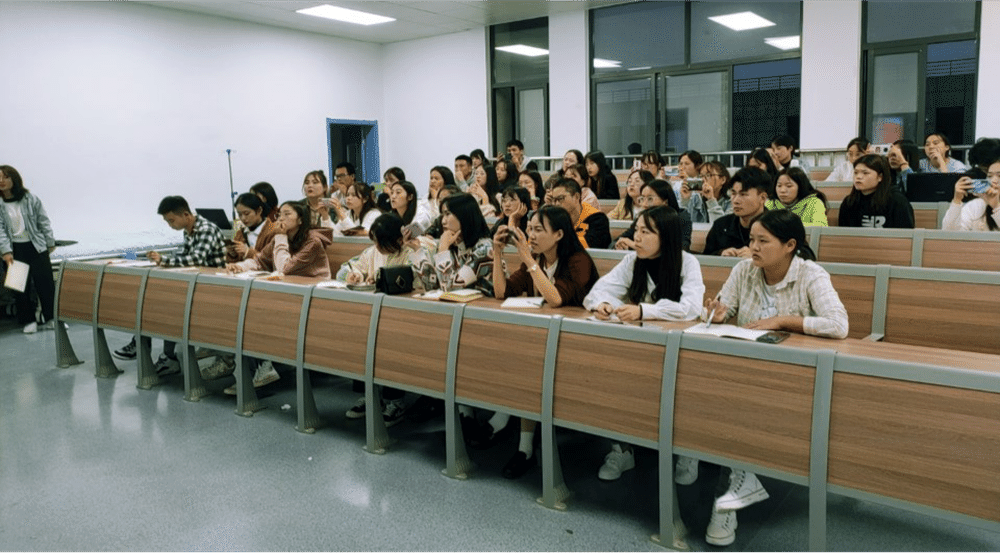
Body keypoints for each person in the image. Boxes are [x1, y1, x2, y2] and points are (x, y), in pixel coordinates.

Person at [703, 209, 848, 546]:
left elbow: (838, 324)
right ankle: (732, 478)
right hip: (746, 369)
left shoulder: (811, 274)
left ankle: (726, 503)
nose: (753, 247)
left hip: (793, 378)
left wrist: (784, 321)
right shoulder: (744, 270)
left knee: (737, 414)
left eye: (763, 241)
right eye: (751, 240)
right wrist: (718, 314)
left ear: (790, 245)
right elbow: (725, 309)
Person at [583, 205, 705, 481]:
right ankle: (622, 449)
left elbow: (691, 308)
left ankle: (689, 452)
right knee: (614, 380)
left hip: (680, 350)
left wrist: (643, 311)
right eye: (636, 230)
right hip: (641, 347)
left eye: (646, 232)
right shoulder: (632, 261)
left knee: (685, 391)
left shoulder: (688, 263)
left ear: (667, 236)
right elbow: (599, 291)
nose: (636, 238)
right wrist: (603, 304)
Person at [491, 205, 600, 479]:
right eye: (529, 229)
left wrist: (528, 260)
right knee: (520, 362)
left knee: (528, 367)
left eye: (538, 230)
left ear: (559, 234)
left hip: (581, 345)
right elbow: (502, 292)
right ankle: (523, 446)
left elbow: (556, 299)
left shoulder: (578, 261)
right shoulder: (537, 261)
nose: (531, 236)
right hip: (542, 342)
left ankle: (516, 433)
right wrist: (497, 253)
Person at [339, 213, 434, 425]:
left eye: (381, 243)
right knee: (359, 339)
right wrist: (354, 275)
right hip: (374, 314)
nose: (377, 247)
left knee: (390, 346)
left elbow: (427, 283)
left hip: (405, 318)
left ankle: (395, 401)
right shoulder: (372, 252)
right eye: (374, 242)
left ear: (398, 240)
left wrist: (415, 252)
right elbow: (346, 269)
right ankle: (369, 395)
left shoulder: (414, 251)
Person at [115, 195, 226, 373]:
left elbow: (197, 259)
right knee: (152, 301)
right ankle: (144, 345)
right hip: (196, 283)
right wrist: (161, 258)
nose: (170, 225)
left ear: (186, 215)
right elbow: (185, 257)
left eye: (171, 221)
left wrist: (165, 260)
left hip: (213, 287)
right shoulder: (189, 230)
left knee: (169, 305)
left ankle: (165, 355)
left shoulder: (206, 229)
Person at [0, 165, 57, 334]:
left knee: (45, 285)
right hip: (14, 249)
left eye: (6, 177)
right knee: (19, 287)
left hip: (36, 246)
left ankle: (51, 319)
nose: (1, 181)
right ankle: (28, 321)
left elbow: (43, 221)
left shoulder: (30, 199)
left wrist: (49, 242)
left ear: (14, 179)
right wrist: (5, 251)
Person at [410, 193, 494, 296]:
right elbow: (433, 286)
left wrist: (443, 250)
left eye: (448, 214)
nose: (443, 221)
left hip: (486, 304)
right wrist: (417, 250)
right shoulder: (454, 246)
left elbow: (449, 289)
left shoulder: (485, 249)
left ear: (464, 215)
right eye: (442, 215)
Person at [704, 167, 770, 257]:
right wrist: (721, 253)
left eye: (743, 194)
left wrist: (758, 255)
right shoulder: (721, 225)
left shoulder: (776, 227)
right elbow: (706, 258)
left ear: (762, 198)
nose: (735, 200)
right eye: (733, 193)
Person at [614, 179, 693, 252]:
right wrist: (620, 245)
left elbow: (681, 250)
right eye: (642, 199)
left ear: (665, 202)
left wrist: (635, 246)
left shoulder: (680, 217)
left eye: (650, 199)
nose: (644, 204)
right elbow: (617, 241)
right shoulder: (642, 217)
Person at [839, 154, 914, 229]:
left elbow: (905, 233)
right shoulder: (849, 202)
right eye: (856, 173)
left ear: (880, 177)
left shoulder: (897, 201)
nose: (858, 177)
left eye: (865, 173)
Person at [545, 178, 611, 249]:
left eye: (560, 198)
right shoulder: (555, 220)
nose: (557, 204)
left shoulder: (597, 219)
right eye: (554, 200)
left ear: (577, 197)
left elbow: (589, 247)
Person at [943, 158, 1000, 231]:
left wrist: (996, 206)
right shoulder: (976, 205)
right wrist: (957, 200)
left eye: (999, 176)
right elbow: (949, 233)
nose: (993, 180)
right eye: (989, 176)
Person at [226, 192, 278, 263]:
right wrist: (233, 254)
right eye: (240, 214)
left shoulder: (273, 231)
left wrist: (248, 252)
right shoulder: (240, 233)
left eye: (247, 213)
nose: (243, 218)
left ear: (259, 211)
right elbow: (232, 263)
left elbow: (273, 261)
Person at [676, 150, 706, 222]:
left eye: (686, 164)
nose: (682, 167)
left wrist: (688, 180)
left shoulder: (704, 182)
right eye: (681, 164)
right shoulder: (677, 184)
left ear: (697, 166)